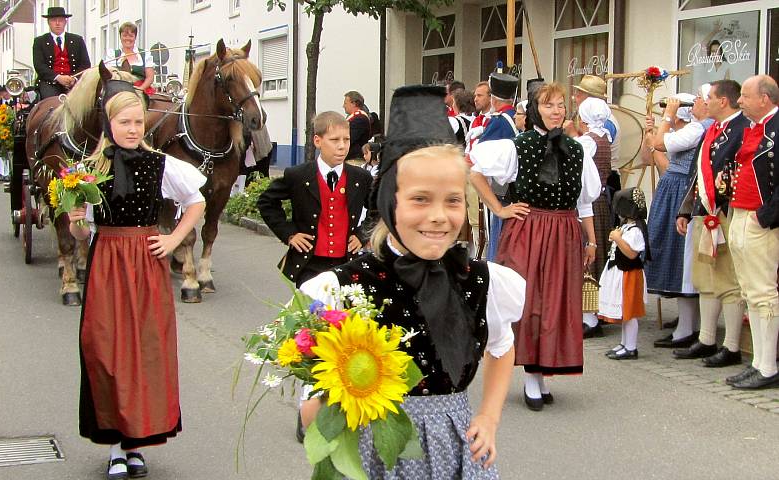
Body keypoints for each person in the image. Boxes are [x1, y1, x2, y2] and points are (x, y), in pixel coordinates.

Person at [300, 84, 524, 478]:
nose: (439, 216)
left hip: (455, 450)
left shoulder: (481, 281)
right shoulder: (345, 288)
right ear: (390, 201)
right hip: (374, 453)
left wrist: (489, 416)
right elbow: (311, 409)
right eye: (420, 199)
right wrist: (325, 406)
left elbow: (503, 346)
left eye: (453, 200)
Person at [66, 78, 206, 480]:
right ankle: (114, 446)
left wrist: (175, 239)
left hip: (145, 262)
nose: (132, 130)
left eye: (138, 123)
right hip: (106, 261)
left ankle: (136, 445)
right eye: (125, 122)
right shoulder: (89, 171)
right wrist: (76, 222)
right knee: (106, 350)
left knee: (145, 351)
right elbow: (81, 234)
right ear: (109, 124)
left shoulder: (161, 164)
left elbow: (196, 201)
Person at [470, 82, 601, 411]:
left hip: (564, 232)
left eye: (560, 105)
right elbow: (475, 172)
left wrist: (592, 240)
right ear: (534, 109)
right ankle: (532, 377)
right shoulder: (517, 146)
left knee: (556, 303)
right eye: (548, 106)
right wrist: (499, 209)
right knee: (529, 303)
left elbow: (584, 202)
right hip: (528, 230)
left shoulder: (576, 150)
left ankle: (541, 374)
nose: (556, 112)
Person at [673, 80, 748, 367]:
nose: (704, 103)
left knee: (728, 280)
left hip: (726, 212)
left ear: (723, 101)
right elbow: (697, 175)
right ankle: (706, 339)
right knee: (705, 278)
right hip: (706, 212)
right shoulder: (713, 130)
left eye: (709, 98)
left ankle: (731, 346)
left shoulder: (742, 129)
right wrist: (685, 210)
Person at [257, 111, 372, 288]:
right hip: (310, 264)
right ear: (318, 141)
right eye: (334, 140)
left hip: (347, 262)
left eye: (346, 140)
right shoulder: (298, 175)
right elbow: (267, 202)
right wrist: (289, 233)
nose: (342, 146)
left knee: (345, 314)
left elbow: (378, 209)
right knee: (312, 313)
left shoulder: (361, 178)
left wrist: (362, 235)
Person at [725, 75, 779, 390]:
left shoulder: (775, 129)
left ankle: (768, 366)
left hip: (760, 219)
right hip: (742, 213)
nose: (740, 101)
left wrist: (766, 215)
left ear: (765, 98)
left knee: (763, 293)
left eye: (745, 96)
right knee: (749, 292)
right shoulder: (755, 128)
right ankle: (758, 361)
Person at [644, 94, 706, 349]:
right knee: (675, 255)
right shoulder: (690, 130)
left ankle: (687, 328)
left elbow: (660, 151)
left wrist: (665, 120)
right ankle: (688, 324)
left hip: (680, 192)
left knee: (679, 256)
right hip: (675, 190)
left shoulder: (693, 130)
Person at [468, 73, 525, 262]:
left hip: (503, 192)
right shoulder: (508, 118)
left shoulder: (500, 121)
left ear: (493, 98)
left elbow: (477, 161)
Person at [573, 97, 615, 338]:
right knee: (594, 257)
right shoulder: (605, 137)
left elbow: (579, 172)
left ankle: (589, 317)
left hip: (588, 201)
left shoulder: (588, 141)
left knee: (588, 259)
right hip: (601, 201)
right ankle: (593, 312)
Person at [598, 187, 650, 360]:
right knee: (625, 312)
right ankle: (624, 343)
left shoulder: (635, 230)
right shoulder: (626, 227)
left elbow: (632, 253)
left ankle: (631, 347)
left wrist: (618, 239)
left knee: (630, 312)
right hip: (621, 272)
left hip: (630, 274)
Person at [32, 7, 91, 99]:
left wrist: (74, 78)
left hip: (73, 82)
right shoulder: (40, 41)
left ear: (65, 22)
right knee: (51, 105)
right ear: (48, 22)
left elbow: (85, 64)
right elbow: (39, 65)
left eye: (61, 20)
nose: (57, 23)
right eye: (54, 20)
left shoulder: (77, 40)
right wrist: (57, 77)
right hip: (50, 82)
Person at [108, 22, 156, 95]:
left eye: (131, 36)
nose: (128, 38)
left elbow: (150, 77)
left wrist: (140, 89)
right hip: (119, 92)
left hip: (141, 91)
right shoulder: (113, 55)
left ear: (135, 37)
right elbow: (111, 76)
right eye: (124, 35)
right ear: (120, 37)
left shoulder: (145, 54)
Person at [343, 91, 371, 162]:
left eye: (345, 103)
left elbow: (350, 138)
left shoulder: (359, 119)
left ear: (354, 103)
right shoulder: (355, 117)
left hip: (354, 159)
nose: (343, 106)